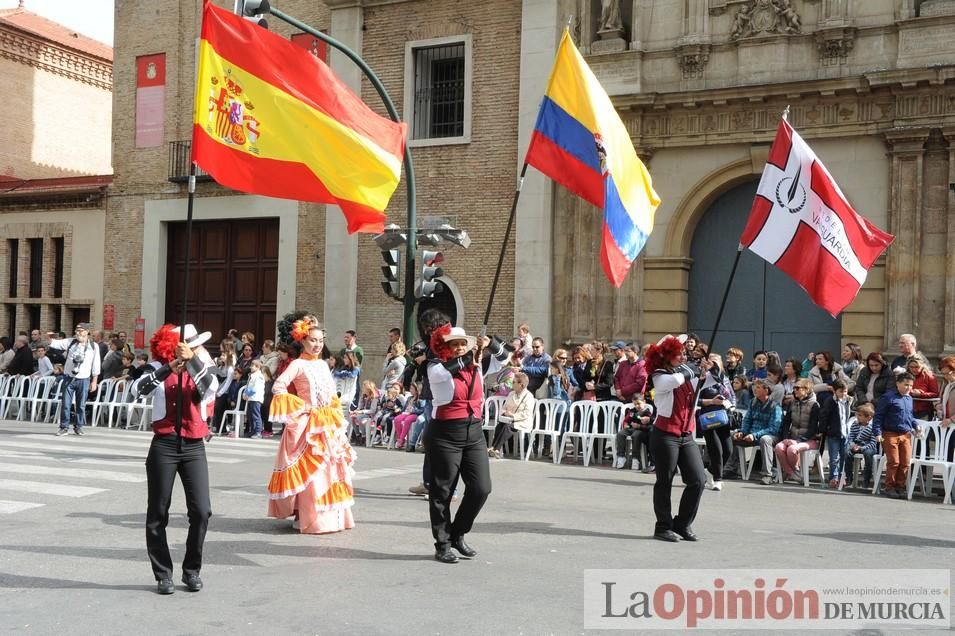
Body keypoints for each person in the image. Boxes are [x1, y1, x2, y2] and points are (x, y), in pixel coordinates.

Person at [135, 323, 218, 595]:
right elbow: (139, 389)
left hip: (194, 445)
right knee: (157, 512)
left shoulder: (203, 365)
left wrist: (192, 361)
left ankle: (192, 570)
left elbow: (210, 386)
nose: (197, 350)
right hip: (164, 444)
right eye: (190, 346)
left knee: (201, 510)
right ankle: (163, 574)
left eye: (195, 347)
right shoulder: (157, 367)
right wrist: (168, 368)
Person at [425, 325, 509, 563]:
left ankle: (457, 533)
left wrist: (490, 342)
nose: (460, 347)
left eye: (464, 343)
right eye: (455, 344)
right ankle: (442, 544)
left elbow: (506, 357)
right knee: (442, 491)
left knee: (482, 488)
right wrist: (474, 355)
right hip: (445, 434)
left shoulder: (478, 363)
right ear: (446, 348)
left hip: (473, 433)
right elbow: (454, 367)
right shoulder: (436, 369)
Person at [267, 315, 356, 533]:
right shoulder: (297, 364)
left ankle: (331, 517)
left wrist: (335, 412)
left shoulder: (324, 365)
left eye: (320, 341)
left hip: (327, 423)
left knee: (330, 468)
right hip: (307, 424)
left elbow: (329, 394)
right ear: (303, 341)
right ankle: (307, 515)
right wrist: (299, 408)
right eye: (312, 340)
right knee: (311, 471)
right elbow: (278, 387)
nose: (317, 344)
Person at [645, 334, 714, 542]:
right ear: (667, 358)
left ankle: (682, 524)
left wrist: (709, 368)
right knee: (664, 481)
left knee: (698, 480)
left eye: (685, 354)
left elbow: (709, 380)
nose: (684, 357)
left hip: (686, 434)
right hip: (665, 435)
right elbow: (676, 380)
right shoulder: (660, 376)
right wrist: (693, 369)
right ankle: (663, 526)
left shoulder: (686, 374)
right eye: (679, 355)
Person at [872, 372, 922, 499]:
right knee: (894, 462)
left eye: (911, 385)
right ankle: (889, 487)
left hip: (905, 434)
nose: (908, 388)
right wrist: (877, 432)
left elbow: (910, 416)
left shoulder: (909, 398)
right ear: (897, 383)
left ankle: (900, 487)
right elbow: (878, 416)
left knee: (905, 462)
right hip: (890, 434)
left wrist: (916, 426)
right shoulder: (888, 397)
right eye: (906, 385)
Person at [47, 323, 101, 436]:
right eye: (76, 330)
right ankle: (64, 427)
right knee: (66, 403)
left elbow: (96, 364)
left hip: (84, 378)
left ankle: (79, 426)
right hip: (69, 378)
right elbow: (55, 344)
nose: (78, 333)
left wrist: (94, 381)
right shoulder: (70, 342)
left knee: (81, 405)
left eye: (80, 330)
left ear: (87, 332)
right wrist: (50, 337)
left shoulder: (93, 346)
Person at [734, 378, 782, 485]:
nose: (755, 389)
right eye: (754, 387)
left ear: (766, 390)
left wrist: (755, 435)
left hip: (770, 436)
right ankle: (731, 469)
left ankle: (767, 475)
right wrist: (742, 432)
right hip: (752, 434)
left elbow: (774, 428)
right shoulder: (752, 402)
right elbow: (747, 420)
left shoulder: (775, 406)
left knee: (765, 440)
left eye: (758, 387)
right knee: (733, 436)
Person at [773, 379, 821, 483]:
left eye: (798, 388)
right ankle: (793, 473)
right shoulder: (792, 404)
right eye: (794, 388)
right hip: (793, 437)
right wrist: (785, 438)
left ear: (807, 390)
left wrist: (799, 440)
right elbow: (786, 423)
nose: (795, 390)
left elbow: (813, 428)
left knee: (792, 449)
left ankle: (790, 472)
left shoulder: (814, 405)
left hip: (809, 440)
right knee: (779, 447)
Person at [698, 355, 734, 491]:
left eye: (715, 362)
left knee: (728, 449)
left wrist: (732, 406)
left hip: (723, 416)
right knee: (716, 449)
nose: (712, 364)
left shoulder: (723, 378)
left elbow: (731, 395)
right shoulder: (703, 378)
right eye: (710, 361)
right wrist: (712, 401)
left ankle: (711, 471)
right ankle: (718, 479)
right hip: (708, 417)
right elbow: (696, 400)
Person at [488, 372, 535, 459]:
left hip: (523, 421)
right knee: (500, 425)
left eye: (514, 382)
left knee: (507, 427)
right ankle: (493, 448)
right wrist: (504, 412)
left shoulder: (529, 396)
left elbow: (526, 413)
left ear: (521, 385)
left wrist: (513, 415)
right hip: (509, 419)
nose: (511, 384)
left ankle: (496, 449)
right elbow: (504, 406)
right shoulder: (511, 394)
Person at [819, 378, 853, 488]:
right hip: (833, 433)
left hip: (845, 433)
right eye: (841, 391)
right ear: (834, 391)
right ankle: (833, 477)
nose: (843, 394)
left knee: (844, 455)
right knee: (834, 457)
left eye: (845, 391)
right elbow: (824, 416)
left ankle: (842, 477)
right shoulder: (830, 401)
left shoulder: (849, 400)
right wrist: (823, 430)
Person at [614, 392, 654, 470]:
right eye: (635, 404)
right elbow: (626, 420)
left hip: (640, 430)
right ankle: (621, 456)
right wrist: (625, 424)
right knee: (620, 434)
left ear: (644, 402)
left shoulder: (647, 413)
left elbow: (648, 426)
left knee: (635, 436)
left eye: (639, 403)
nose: (637, 406)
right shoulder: (632, 412)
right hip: (631, 428)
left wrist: (640, 426)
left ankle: (635, 458)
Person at [846, 403, 877, 489]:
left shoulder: (873, 427)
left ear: (869, 417)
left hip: (868, 446)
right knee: (847, 452)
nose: (858, 417)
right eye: (857, 415)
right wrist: (852, 445)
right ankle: (849, 477)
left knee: (868, 454)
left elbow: (873, 443)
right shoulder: (855, 424)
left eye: (860, 415)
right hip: (856, 444)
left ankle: (866, 479)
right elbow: (851, 436)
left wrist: (861, 448)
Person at [905, 354, 939, 420]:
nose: (914, 369)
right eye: (911, 367)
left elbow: (935, 394)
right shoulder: (906, 376)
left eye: (917, 367)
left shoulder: (929, 377)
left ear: (922, 366)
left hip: (923, 411)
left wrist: (921, 394)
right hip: (907, 409)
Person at [244, 359, 266, 439]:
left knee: (256, 415)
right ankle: (253, 431)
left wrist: (247, 394)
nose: (250, 367)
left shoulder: (259, 376)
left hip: (256, 398)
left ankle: (258, 432)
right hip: (250, 398)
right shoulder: (252, 375)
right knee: (250, 415)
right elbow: (248, 386)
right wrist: (245, 394)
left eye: (252, 366)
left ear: (258, 367)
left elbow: (255, 388)